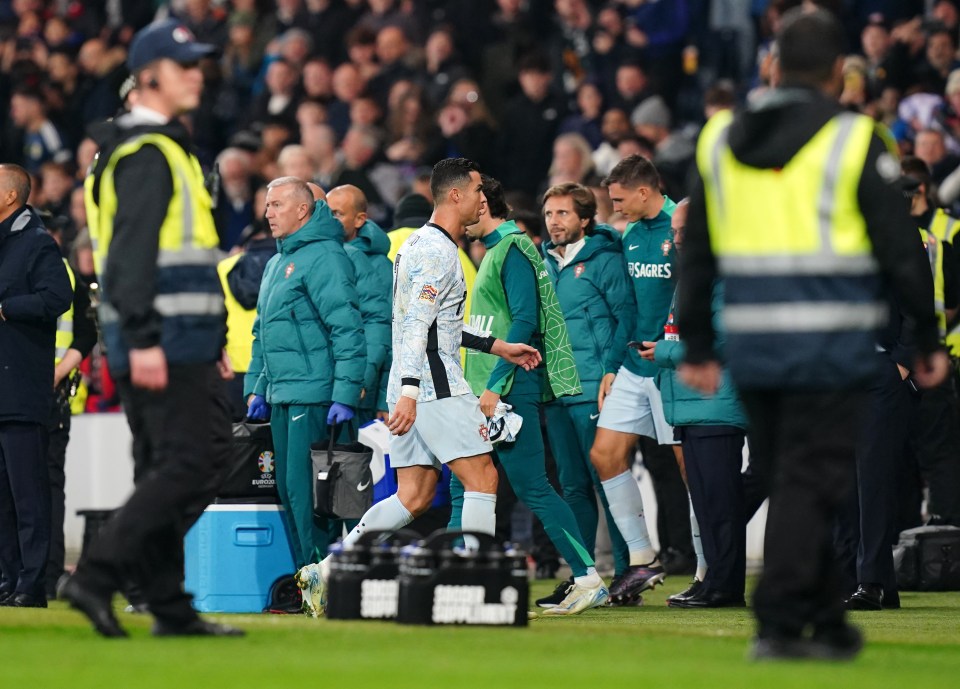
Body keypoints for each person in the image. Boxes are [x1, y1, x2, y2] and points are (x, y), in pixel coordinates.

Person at [678, 8, 949, 660]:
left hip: (751, 344)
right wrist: (929, 338)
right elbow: (902, 250)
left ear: (772, 67)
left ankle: (825, 615)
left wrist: (699, 342)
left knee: (790, 473)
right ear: (837, 72)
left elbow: (699, 251)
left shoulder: (718, 137)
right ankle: (778, 619)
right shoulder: (855, 140)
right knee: (815, 477)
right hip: (830, 343)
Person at [294, 158, 541, 616]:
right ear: (454, 196)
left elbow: (439, 323)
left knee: (414, 495)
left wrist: (497, 345)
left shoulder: (420, 245)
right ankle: (475, 580)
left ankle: (326, 572)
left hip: (412, 383)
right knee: (482, 476)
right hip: (432, 385)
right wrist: (410, 389)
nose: (482, 202)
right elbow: (416, 326)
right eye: (476, 194)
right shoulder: (438, 252)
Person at [60, 19, 241, 638]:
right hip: (161, 339)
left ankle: (167, 605)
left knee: (162, 465)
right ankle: (97, 575)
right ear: (151, 75)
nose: (197, 75)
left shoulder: (150, 146)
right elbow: (133, 257)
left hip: (170, 337)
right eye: (185, 65)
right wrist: (141, 340)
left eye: (198, 65)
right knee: (192, 461)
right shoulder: (149, 153)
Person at [452, 174, 608, 615]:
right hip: (488, 387)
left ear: (482, 206)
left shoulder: (513, 249)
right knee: (462, 481)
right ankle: (457, 575)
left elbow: (524, 323)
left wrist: (494, 383)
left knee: (534, 486)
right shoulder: (498, 250)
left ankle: (586, 576)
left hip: (505, 388)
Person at [244, 177, 367, 571]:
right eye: (266, 205)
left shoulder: (326, 257)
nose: (268, 213)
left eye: (277, 204)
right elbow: (264, 332)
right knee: (289, 491)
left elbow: (347, 329)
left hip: (315, 396)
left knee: (313, 496)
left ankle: (322, 577)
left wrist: (345, 395)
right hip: (283, 394)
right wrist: (257, 389)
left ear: (302, 210)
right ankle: (307, 577)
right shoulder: (276, 262)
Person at [588, 154, 689, 605]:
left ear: (645, 191)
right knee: (604, 454)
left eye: (620, 199)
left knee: (693, 474)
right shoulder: (630, 234)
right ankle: (643, 557)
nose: (615, 207)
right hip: (634, 363)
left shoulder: (680, 227)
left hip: (674, 366)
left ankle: (708, 570)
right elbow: (628, 308)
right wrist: (612, 365)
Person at [639, 199, 749, 609]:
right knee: (706, 503)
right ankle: (713, 581)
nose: (677, 237)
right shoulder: (699, 276)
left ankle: (726, 587)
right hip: (693, 405)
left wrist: (665, 354)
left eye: (685, 229)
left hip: (715, 405)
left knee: (720, 505)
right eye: (675, 231)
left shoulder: (724, 276)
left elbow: (722, 341)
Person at [538, 182, 633, 605]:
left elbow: (626, 319)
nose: (553, 222)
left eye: (562, 214)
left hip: (594, 387)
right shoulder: (542, 263)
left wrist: (612, 370)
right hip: (556, 393)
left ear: (584, 219)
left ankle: (630, 576)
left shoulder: (604, 261)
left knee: (606, 482)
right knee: (573, 488)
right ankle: (585, 576)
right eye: (549, 214)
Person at [0, 164, 72, 608]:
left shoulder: (36, 243)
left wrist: (7, 309)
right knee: (3, 499)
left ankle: (32, 583)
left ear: (10, 196)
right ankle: (7, 579)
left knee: (28, 494)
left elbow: (57, 297)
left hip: (21, 390)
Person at [44, 216, 98, 600]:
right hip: (42, 391)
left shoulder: (61, 274)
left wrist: (58, 372)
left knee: (43, 486)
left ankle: (44, 572)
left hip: (49, 394)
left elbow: (85, 333)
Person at [326, 184, 393, 425]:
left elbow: (390, 336)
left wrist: (385, 399)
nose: (330, 219)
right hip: (328, 388)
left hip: (364, 395)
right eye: (326, 211)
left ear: (359, 219)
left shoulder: (380, 267)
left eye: (338, 213)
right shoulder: (323, 258)